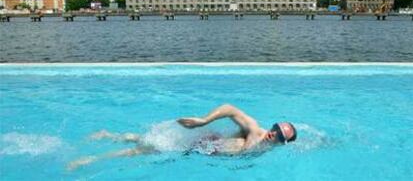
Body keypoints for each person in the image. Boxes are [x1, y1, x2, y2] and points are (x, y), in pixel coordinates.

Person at [67, 104, 297, 170]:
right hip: (201, 144)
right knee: (144, 150)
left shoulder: (263, 151)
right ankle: (90, 161)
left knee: (148, 144)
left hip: (200, 152)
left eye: (279, 136)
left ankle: (110, 135)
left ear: (282, 144)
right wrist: (204, 120)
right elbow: (231, 109)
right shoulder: (255, 131)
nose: (273, 133)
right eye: (276, 127)